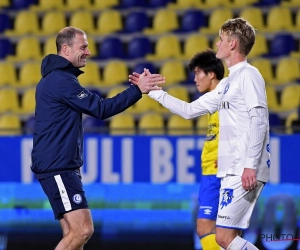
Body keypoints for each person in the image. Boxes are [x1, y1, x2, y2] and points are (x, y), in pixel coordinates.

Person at [130, 18, 270, 250]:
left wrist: (250, 165)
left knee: (223, 237)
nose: (217, 44)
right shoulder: (227, 83)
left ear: (233, 44)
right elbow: (189, 110)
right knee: (225, 238)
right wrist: (154, 92)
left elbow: (259, 121)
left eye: (222, 40)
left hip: (242, 167)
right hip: (229, 169)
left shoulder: (249, 75)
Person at [31, 26, 165, 250]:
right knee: (83, 229)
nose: (88, 52)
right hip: (58, 168)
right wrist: (137, 90)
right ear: (65, 49)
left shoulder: (55, 79)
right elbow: (101, 109)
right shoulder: (61, 81)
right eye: (83, 47)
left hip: (58, 166)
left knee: (73, 235)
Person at [190, 50, 224, 250]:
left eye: (197, 73)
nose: (195, 79)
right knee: (226, 233)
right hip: (211, 172)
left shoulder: (223, 99)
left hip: (217, 172)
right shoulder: (214, 100)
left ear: (211, 74)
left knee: (205, 227)